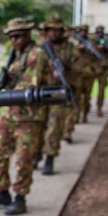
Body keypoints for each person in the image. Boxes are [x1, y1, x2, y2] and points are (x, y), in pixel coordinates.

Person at [0, 17, 52, 216]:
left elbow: (29, 85)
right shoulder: (16, 55)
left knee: (23, 159)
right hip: (10, 113)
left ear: (28, 34)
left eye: (18, 36)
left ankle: (20, 198)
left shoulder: (36, 54)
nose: (14, 41)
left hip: (29, 117)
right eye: (11, 37)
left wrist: (1, 98)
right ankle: (2, 191)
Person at [37, 15, 77, 176]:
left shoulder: (70, 49)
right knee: (38, 127)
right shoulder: (40, 48)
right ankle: (37, 154)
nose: (54, 33)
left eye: (57, 30)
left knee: (54, 127)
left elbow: (80, 70)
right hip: (40, 93)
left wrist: (64, 72)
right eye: (50, 30)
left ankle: (50, 158)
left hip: (58, 93)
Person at [68, 24, 98, 124]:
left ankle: (84, 114)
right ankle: (76, 116)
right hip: (77, 74)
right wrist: (78, 48)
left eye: (85, 31)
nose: (83, 33)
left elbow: (96, 57)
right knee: (76, 96)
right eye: (81, 31)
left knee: (87, 96)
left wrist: (93, 51)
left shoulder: (91, 42)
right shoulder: (73, 42)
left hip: (89, 73)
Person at [91, 25, 108, 117]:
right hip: (92, 69)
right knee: (87, 91)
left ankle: (99, 108)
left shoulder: (106, 42)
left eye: (101, 33)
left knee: (101, 90)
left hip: (102, 69)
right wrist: (96, 48)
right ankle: (84, 109)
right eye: (98, 33)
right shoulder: (91, 42)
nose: (100, 34)